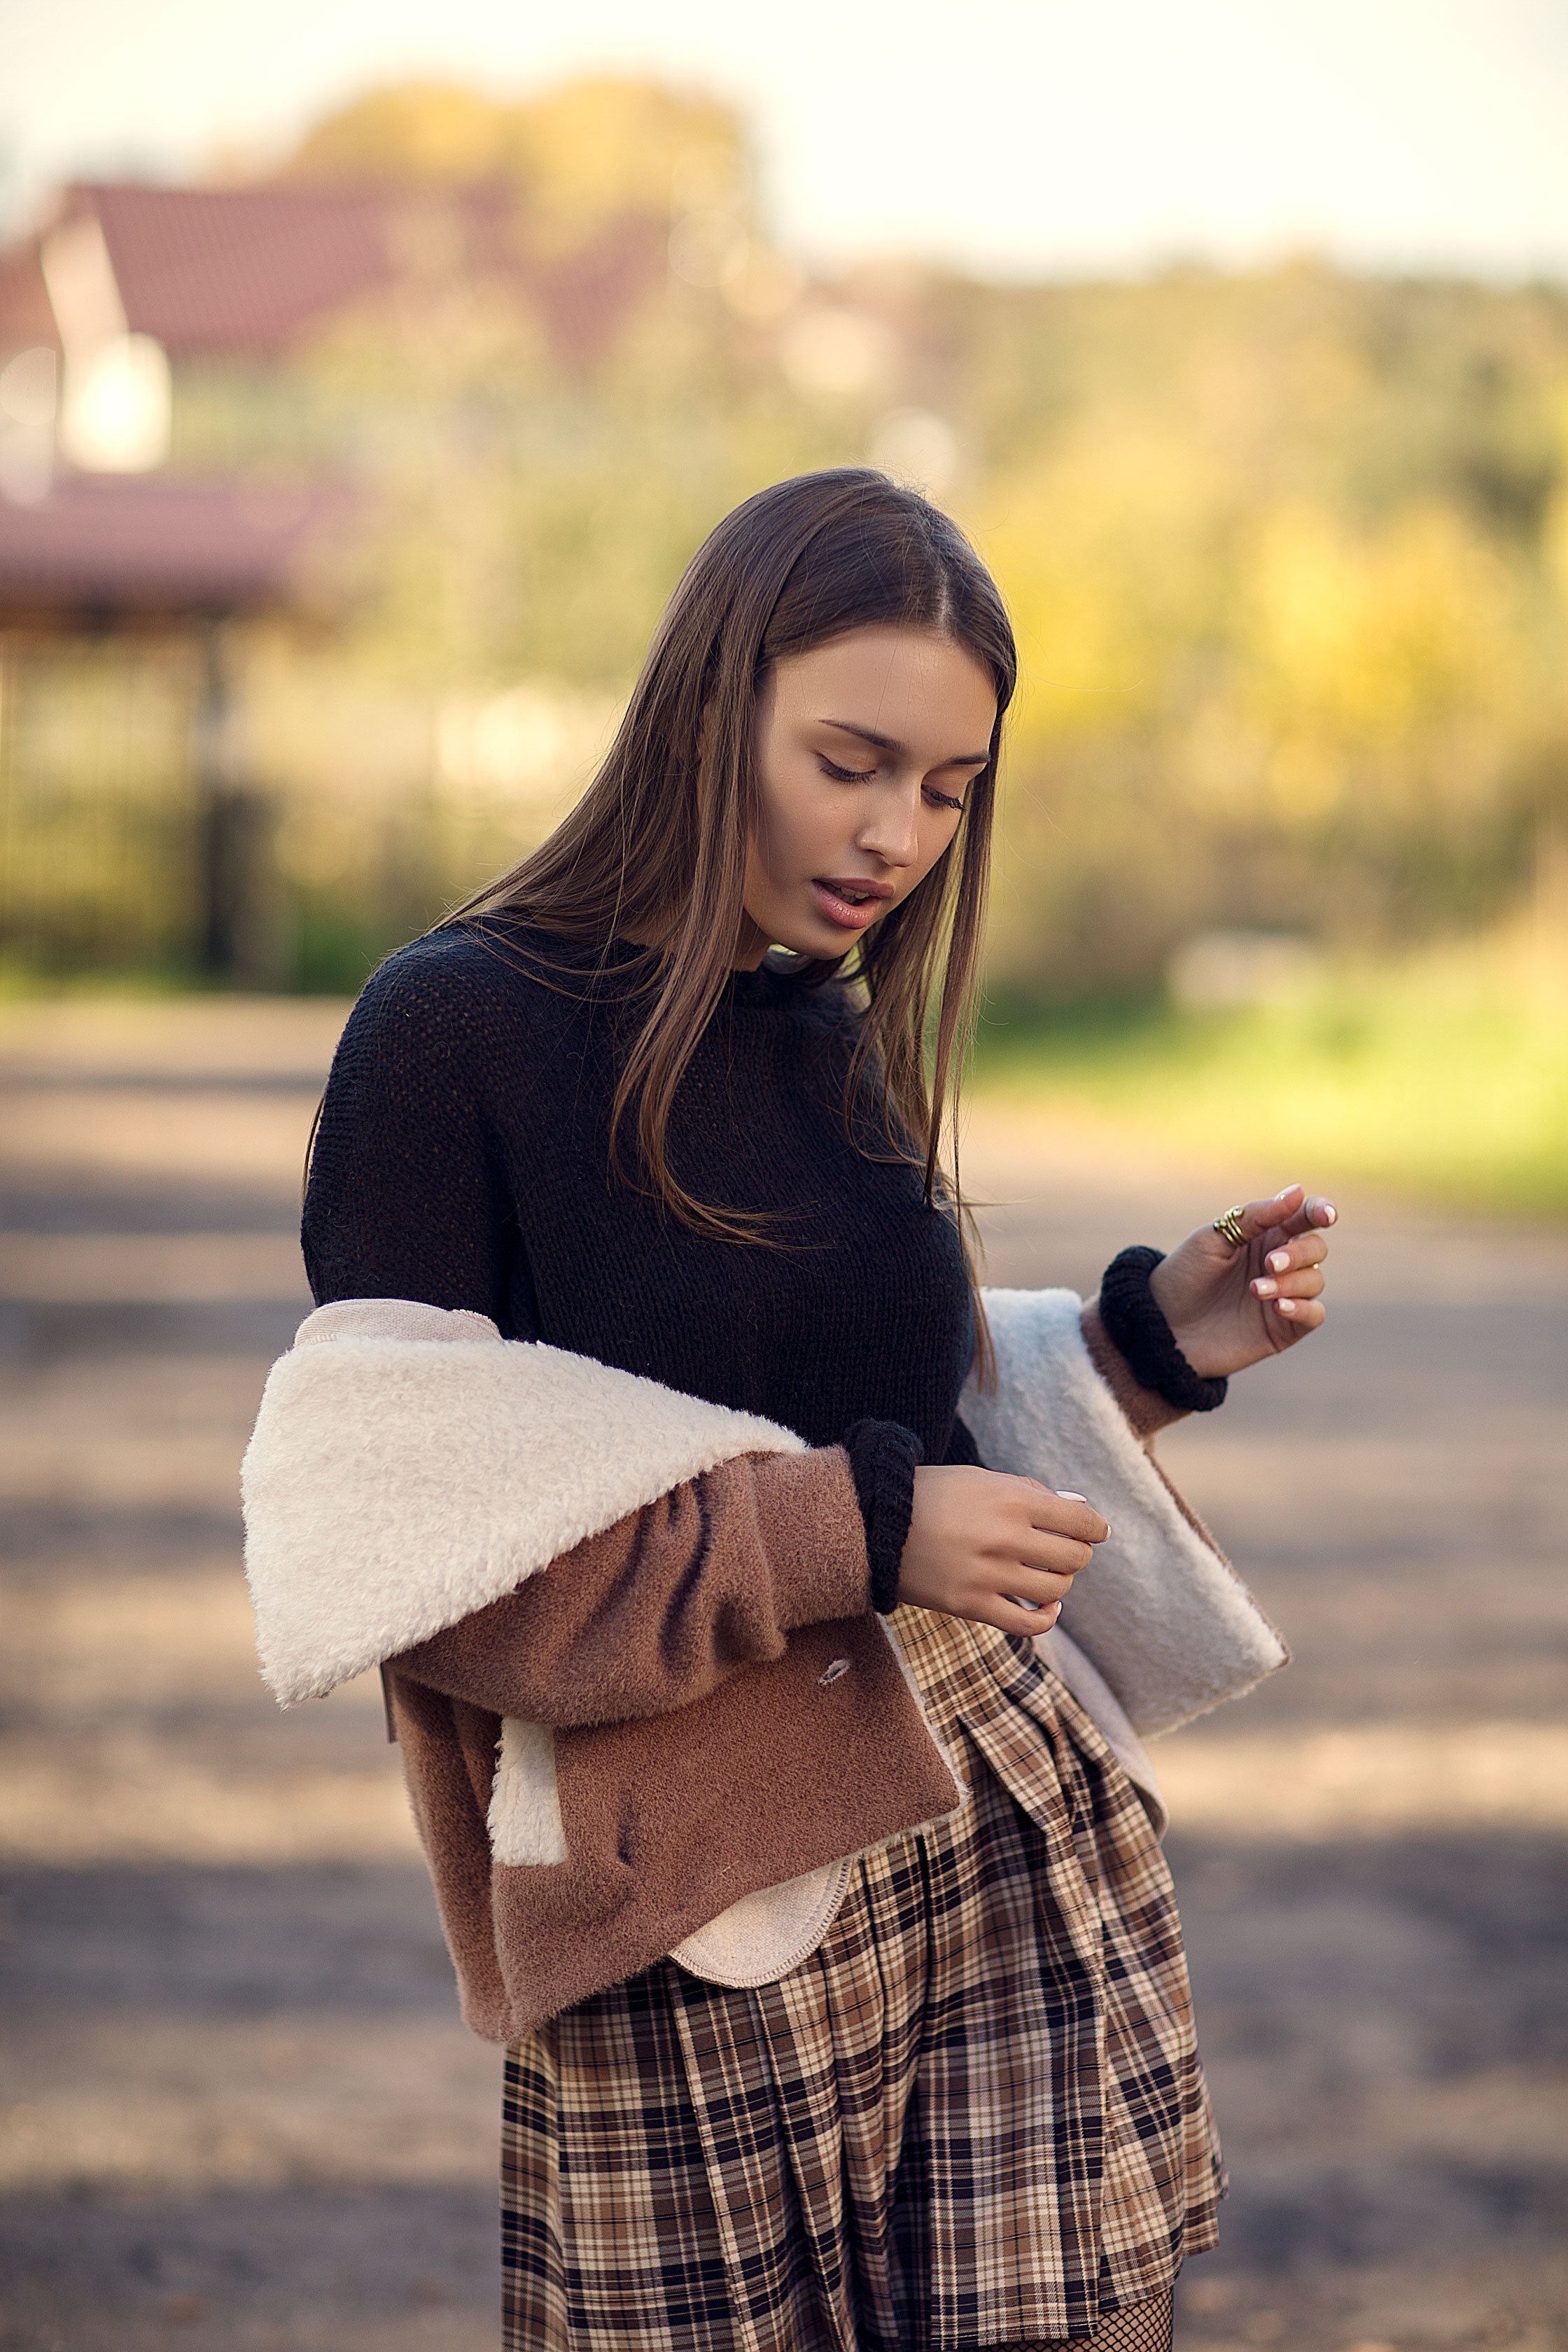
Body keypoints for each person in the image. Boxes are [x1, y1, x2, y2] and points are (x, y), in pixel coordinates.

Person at [241, 469, 1336, 2352]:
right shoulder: (456, 1035)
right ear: (709, 705)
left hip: (987, 1801)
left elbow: (842, 1399)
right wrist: (859, 1533)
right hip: (698, 1900)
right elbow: (410, 1553)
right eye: (851, 759)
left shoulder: (816, 1009)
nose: (898, 831)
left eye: (948, 786)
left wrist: (1148, 1351)